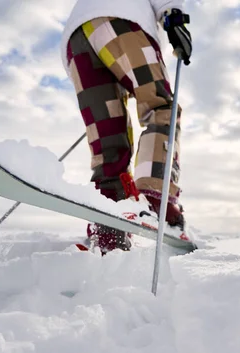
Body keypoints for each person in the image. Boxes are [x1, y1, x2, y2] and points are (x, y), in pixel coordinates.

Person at [60, 0, 193, 254]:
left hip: (77, 41)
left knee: (109, 140)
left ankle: (110, 220)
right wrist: (174, 13)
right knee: (162, 108)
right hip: (122, 21)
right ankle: (156, 199)